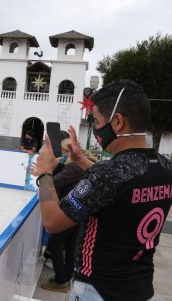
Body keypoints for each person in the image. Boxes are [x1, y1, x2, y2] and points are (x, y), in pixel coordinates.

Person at [35, 80, 172, 301]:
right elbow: (121, 183)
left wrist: (44, 173)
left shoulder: (107, 174)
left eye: (97, 122)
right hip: (139, 288)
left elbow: (52, 221)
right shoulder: (164, 168)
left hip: (97, 289)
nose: (96, 129)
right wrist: (80, 159)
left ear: (117, 121)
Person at [39, 144, 99, 293]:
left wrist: (46, 172)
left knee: (54, 244)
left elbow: (56, 182)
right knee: (71, 245)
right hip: (79, 212)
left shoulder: (75, 167)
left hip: (69, 211)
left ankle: (61, 280)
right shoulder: (86, 168)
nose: (63, 156)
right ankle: (65, 279)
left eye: (65, 152)